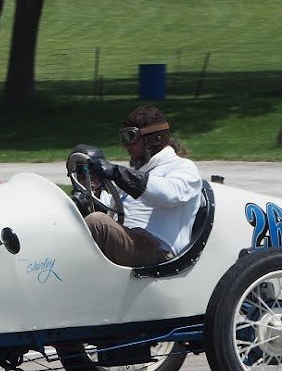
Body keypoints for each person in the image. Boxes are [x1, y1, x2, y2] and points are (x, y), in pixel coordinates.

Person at [73, 105, 202, 267]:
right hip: (131, 242)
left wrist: (118, 173)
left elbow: (169, 194)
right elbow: (112, 207)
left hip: (160, 252)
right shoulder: (139, 173)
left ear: (156, 138)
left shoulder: (182, 167)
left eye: (131, 137)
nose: (126, 145)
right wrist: (89, 193)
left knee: (97, 223)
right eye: (124, 138)